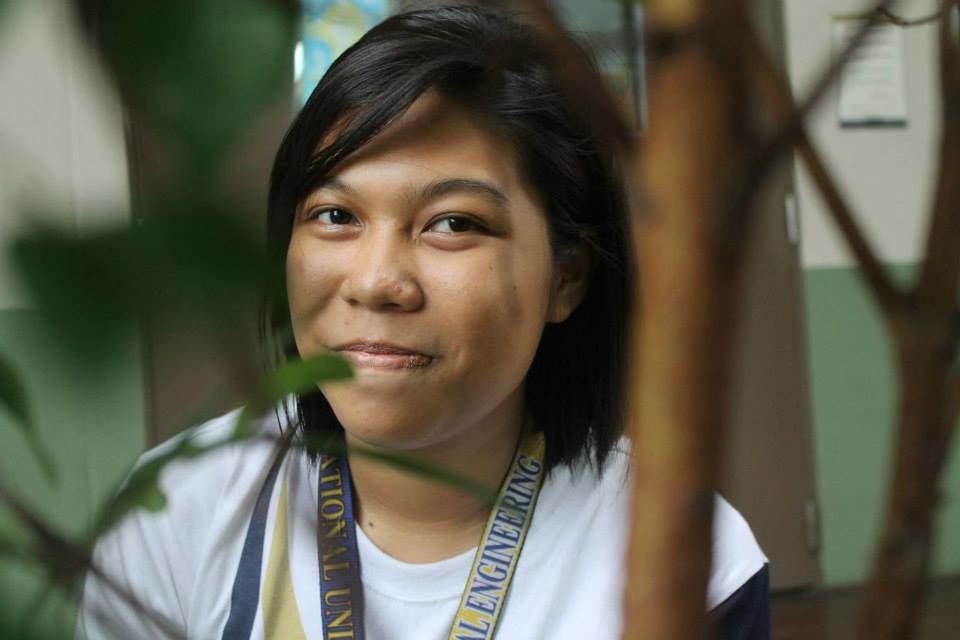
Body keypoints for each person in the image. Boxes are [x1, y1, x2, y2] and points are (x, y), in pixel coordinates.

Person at [77, 5, 769, 639]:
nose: (376, 281)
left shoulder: (687, 557)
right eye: (335, 216)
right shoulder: (174, 515)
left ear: (567, 275)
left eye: (453, 223)